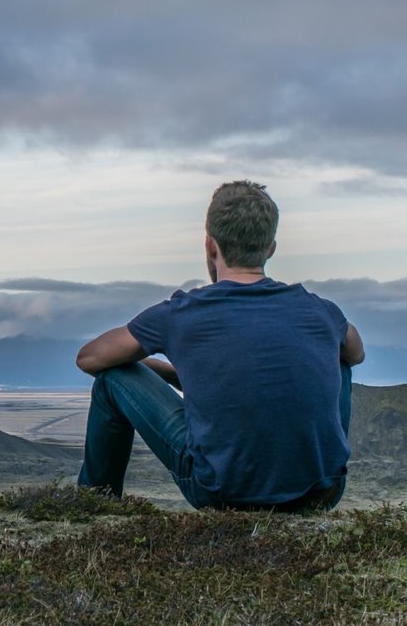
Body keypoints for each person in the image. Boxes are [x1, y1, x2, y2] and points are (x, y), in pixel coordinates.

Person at [74, 180, 364, 511]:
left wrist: (145, 365)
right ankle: (315, 472)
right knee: (340, 360)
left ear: (211, 245)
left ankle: (94, 504)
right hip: (322, 492)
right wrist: (184, 376)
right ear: (270, 247)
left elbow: (89, 358)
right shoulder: (320, 310)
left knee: (112, 379)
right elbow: (356, 353)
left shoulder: (181, 313)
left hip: (221, 493)